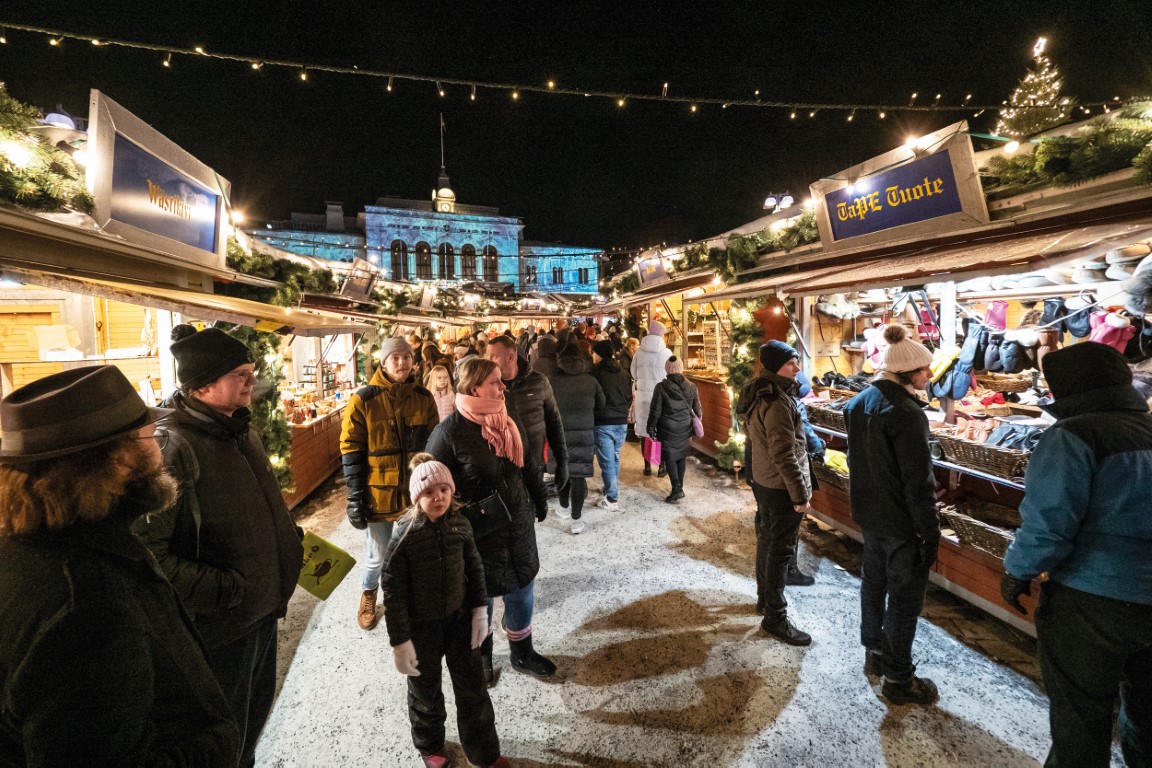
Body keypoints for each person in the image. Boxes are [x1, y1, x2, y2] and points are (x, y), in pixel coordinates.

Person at [0, 366, 240, 765]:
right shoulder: (86, 605)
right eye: (151, 436)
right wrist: (216, 745)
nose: (159, 450)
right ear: (118, 459)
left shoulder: (30, 550)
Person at [130, 325, 303, 766]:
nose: (251, 381)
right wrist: (222, 589)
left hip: (261, 613)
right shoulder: (172, 446)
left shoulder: (241, 429)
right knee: (225, 741)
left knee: (251, 729)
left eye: (251, 371)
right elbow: (148, 553)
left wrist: (287, 538)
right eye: (240, 374)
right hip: (222, 629)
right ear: (204, 385)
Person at [1001, 342, 1152, 766]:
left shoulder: (1072, 436)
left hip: (1091, 600)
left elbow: (1048, 526)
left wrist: (1017, 571)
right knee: (1147, 716)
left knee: (1081, 721)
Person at [426, 357, 556, 683]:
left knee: (522, 587)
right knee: (479, 598)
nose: (503, 387)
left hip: (517, 523)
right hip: (478, 533)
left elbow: (527, 464)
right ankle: (481, 657)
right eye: (495, 382)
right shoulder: (448, 433)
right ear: (474, 388)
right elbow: (432, 488)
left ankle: (522, 652)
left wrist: (538, 499)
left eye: (501, 381)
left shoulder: (508, 417)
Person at [382, 453, 510, 768]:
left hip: (460, 621)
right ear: (416, 497)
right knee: (424, 693)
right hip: (421, 629)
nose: (438, 497)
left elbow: (475, 569)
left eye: (443, 490)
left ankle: (483, 751)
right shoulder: (405, 534)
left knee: (473, 689)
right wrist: (400, 641)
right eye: (428, 492)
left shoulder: (461, 524)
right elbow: (393, 590)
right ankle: (430, 746)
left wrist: (479, 610)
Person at [843, 323, 940, 706]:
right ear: (905, 373)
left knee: (873, 584)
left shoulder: (858, 403)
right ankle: (898, 679)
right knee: (903, 600)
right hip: (901, 523)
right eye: (923, 370)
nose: (928, 374)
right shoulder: (907, 413)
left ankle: (875, 654)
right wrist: (929, 532)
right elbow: (919, 483)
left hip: (870, 515)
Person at [341, 335, 440, 631]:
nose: (402, 362)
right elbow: (351, 448)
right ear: (383, 362)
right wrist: (354, 496)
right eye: (395, 357)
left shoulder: (423, 398)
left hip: (413, 493)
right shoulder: (363, 399)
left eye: (406, 357)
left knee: (413, 551)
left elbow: (433, 444)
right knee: (378, 554)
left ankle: (404, 597)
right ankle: (369, 593)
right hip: (378, 494)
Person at [741, 341, 814, 646]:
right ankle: (775, 617)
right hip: (780, 485)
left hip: (764, 479)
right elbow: (784, 453)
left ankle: (765, 599)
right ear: (775, 367)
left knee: (768, 541)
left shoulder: (760, 391)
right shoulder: (778, 402)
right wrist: (799, 495)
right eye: (790, 363)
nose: (797, 368)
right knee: (781, 551)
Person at [486, 335, 569, 503]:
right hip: (499, 468)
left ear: (511, 357)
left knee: (532, 511)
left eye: (493, 356)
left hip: (533, 464)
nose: (488, 361)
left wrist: (562, 462)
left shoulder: (539, 382)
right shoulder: (486, 386)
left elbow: (554, 423)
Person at [548, 345, 606, 534]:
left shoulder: (551, 381)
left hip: (558, 433)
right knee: (578, 475)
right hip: (583, 434)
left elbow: (544, 406)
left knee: (562, 470)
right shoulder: (590, 381)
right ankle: (577, 521)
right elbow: (602, 404)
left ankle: (563, 507)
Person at [647, 356, 700, 504]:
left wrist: (650, 426)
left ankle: (676, 488)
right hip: (685, 427)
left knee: (669, 456)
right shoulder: (692, 386)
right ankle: (679, 487)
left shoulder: (661, 387)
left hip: (667, 427)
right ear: (681, 368)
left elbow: (655, 410)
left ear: (667, 369)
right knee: (681, 456)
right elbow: (698, 409)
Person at [591, 338, 633, 512]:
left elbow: (594, 397)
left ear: (599, 355)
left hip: (603, 422)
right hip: (621, 422)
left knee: (607, 462)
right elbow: (629, 397)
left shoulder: (595, 373)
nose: (592, 356)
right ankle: (610, 489)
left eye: (594, 353)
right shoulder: (624, 373)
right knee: (614, 457)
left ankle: (612, 499)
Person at [632, 321, 673, 475]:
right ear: (662, 334)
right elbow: (671, 374)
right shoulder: (667, 353)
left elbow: (633, 372)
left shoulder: (639, 352)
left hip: (643, 396)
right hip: (661, 396)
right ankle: (661, 467)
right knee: (661, 430)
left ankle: (647, 467)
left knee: (645, 431)